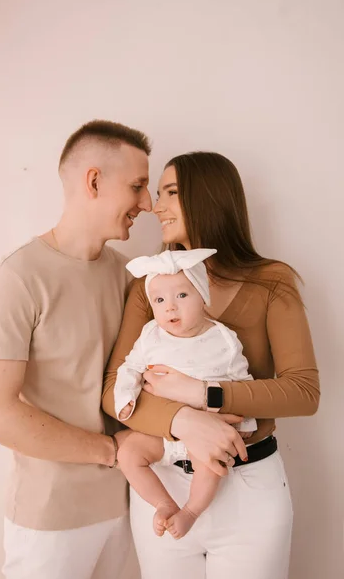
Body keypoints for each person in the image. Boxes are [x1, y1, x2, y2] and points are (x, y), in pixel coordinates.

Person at [102, 151, 320, 579]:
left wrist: (204, 395)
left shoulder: (272, 281)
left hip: (250, 488)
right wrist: (184, 420)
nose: (155, 206)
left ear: (210, 197)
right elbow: (115, 389)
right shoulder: (151, 288)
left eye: (171, 193)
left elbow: (303, 392)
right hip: (162, 480)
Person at [0, 119, 155, 579]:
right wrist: (113, 451)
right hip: (49, 523)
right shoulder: (16, 278)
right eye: (137, 186)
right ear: (94, 180)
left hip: (126, 508)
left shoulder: (132, 277)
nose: (147, 204)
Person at [114, 248, 257, 540]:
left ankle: (190, 511)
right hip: (160, 434)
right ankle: (163, 503)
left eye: (181, 296)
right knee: (128, 453)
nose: (170, 308)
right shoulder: (150, 335)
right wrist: (126, 397)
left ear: (203, 298)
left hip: (206, 434)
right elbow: (130, 367)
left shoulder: (223, 339)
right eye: (160, 300)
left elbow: (243, 382)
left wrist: (246, 424)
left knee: (210, 464)